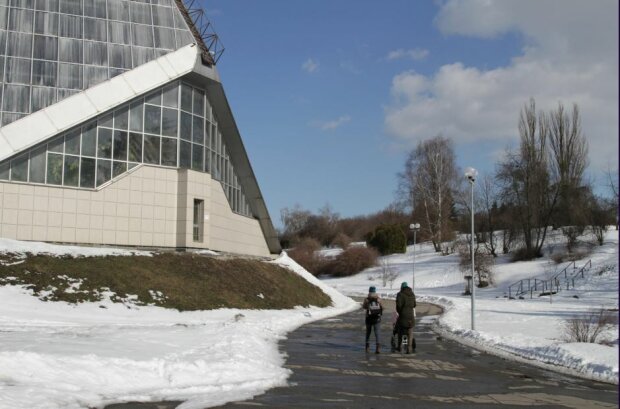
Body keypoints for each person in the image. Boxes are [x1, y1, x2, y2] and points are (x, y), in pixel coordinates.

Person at [395, 281, 417, 353]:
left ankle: (400, 347)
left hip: (403, 316)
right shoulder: (412, 294)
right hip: (411, 316)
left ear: (401, 287)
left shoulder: (400, 294)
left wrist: (400, 312)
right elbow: (414, 305)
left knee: (400, 331)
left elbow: (398, 306)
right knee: (410, 332)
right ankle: (409, 349)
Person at [362, 286, 383, 354]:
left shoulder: (367, 299)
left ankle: (367, 347)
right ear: (375, 291)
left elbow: (364, 307)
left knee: (368, 332)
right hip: (377, 318)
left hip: (368, 318)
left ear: (369, 291)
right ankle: (378, 348)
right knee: (377, 333)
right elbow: (382, 307)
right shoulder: (378, 299)